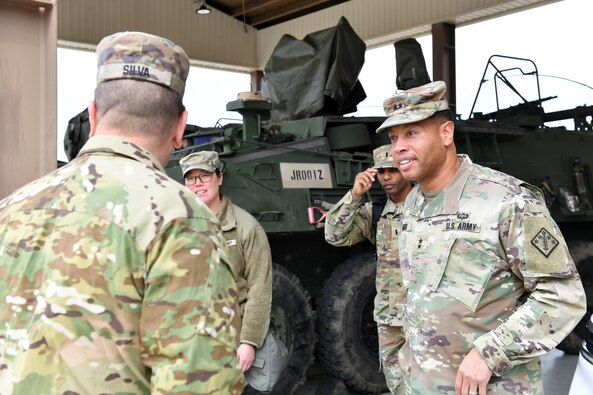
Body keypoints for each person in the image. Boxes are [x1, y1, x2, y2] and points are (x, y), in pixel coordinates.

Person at [0, 32, 243, 394]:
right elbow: (199, 384)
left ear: (93, 115)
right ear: (180, 127)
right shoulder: (181, 219)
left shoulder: (12, 208)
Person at [376, 80, 587, 395]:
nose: (398, 148)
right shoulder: (413, 204)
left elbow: (563, 295)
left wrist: (491, 353)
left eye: (412, 134)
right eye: (394, 138)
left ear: (446, 133)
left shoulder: (507, 201)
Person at [324, 144, 412, 393]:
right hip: (390, 317)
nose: (386, 177)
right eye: (381, 171)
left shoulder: (428, 208)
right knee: (396, 384)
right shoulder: (375, 212)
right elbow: (335, 235)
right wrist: (354, 196)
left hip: (423, 315)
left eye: (392, 170)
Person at [179, 151, 273, 382]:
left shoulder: (246, 227)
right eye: (191, 178)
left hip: (231, 339)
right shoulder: (178, 226)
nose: (197, 184)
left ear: (219, 178)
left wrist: (249, 341)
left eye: (204, 176)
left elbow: (260, 287)